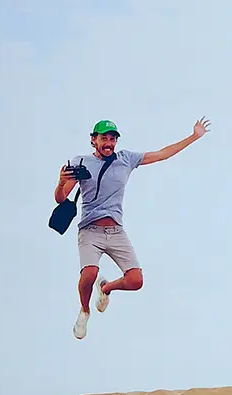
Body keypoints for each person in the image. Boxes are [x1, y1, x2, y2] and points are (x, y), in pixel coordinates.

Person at [54, 117, 211, 339]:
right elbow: (61, 198)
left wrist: (194, 136)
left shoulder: (126, 159)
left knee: (136, 281)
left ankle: (106, 288)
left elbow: (162, 154)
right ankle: (85, 310)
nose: (108, 143)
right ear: (94, 140)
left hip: (115, 231)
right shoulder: (81, 162)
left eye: (112, 139)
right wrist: (61, 182)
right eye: (104, 138)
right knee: (89, 273)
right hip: (90, 230)